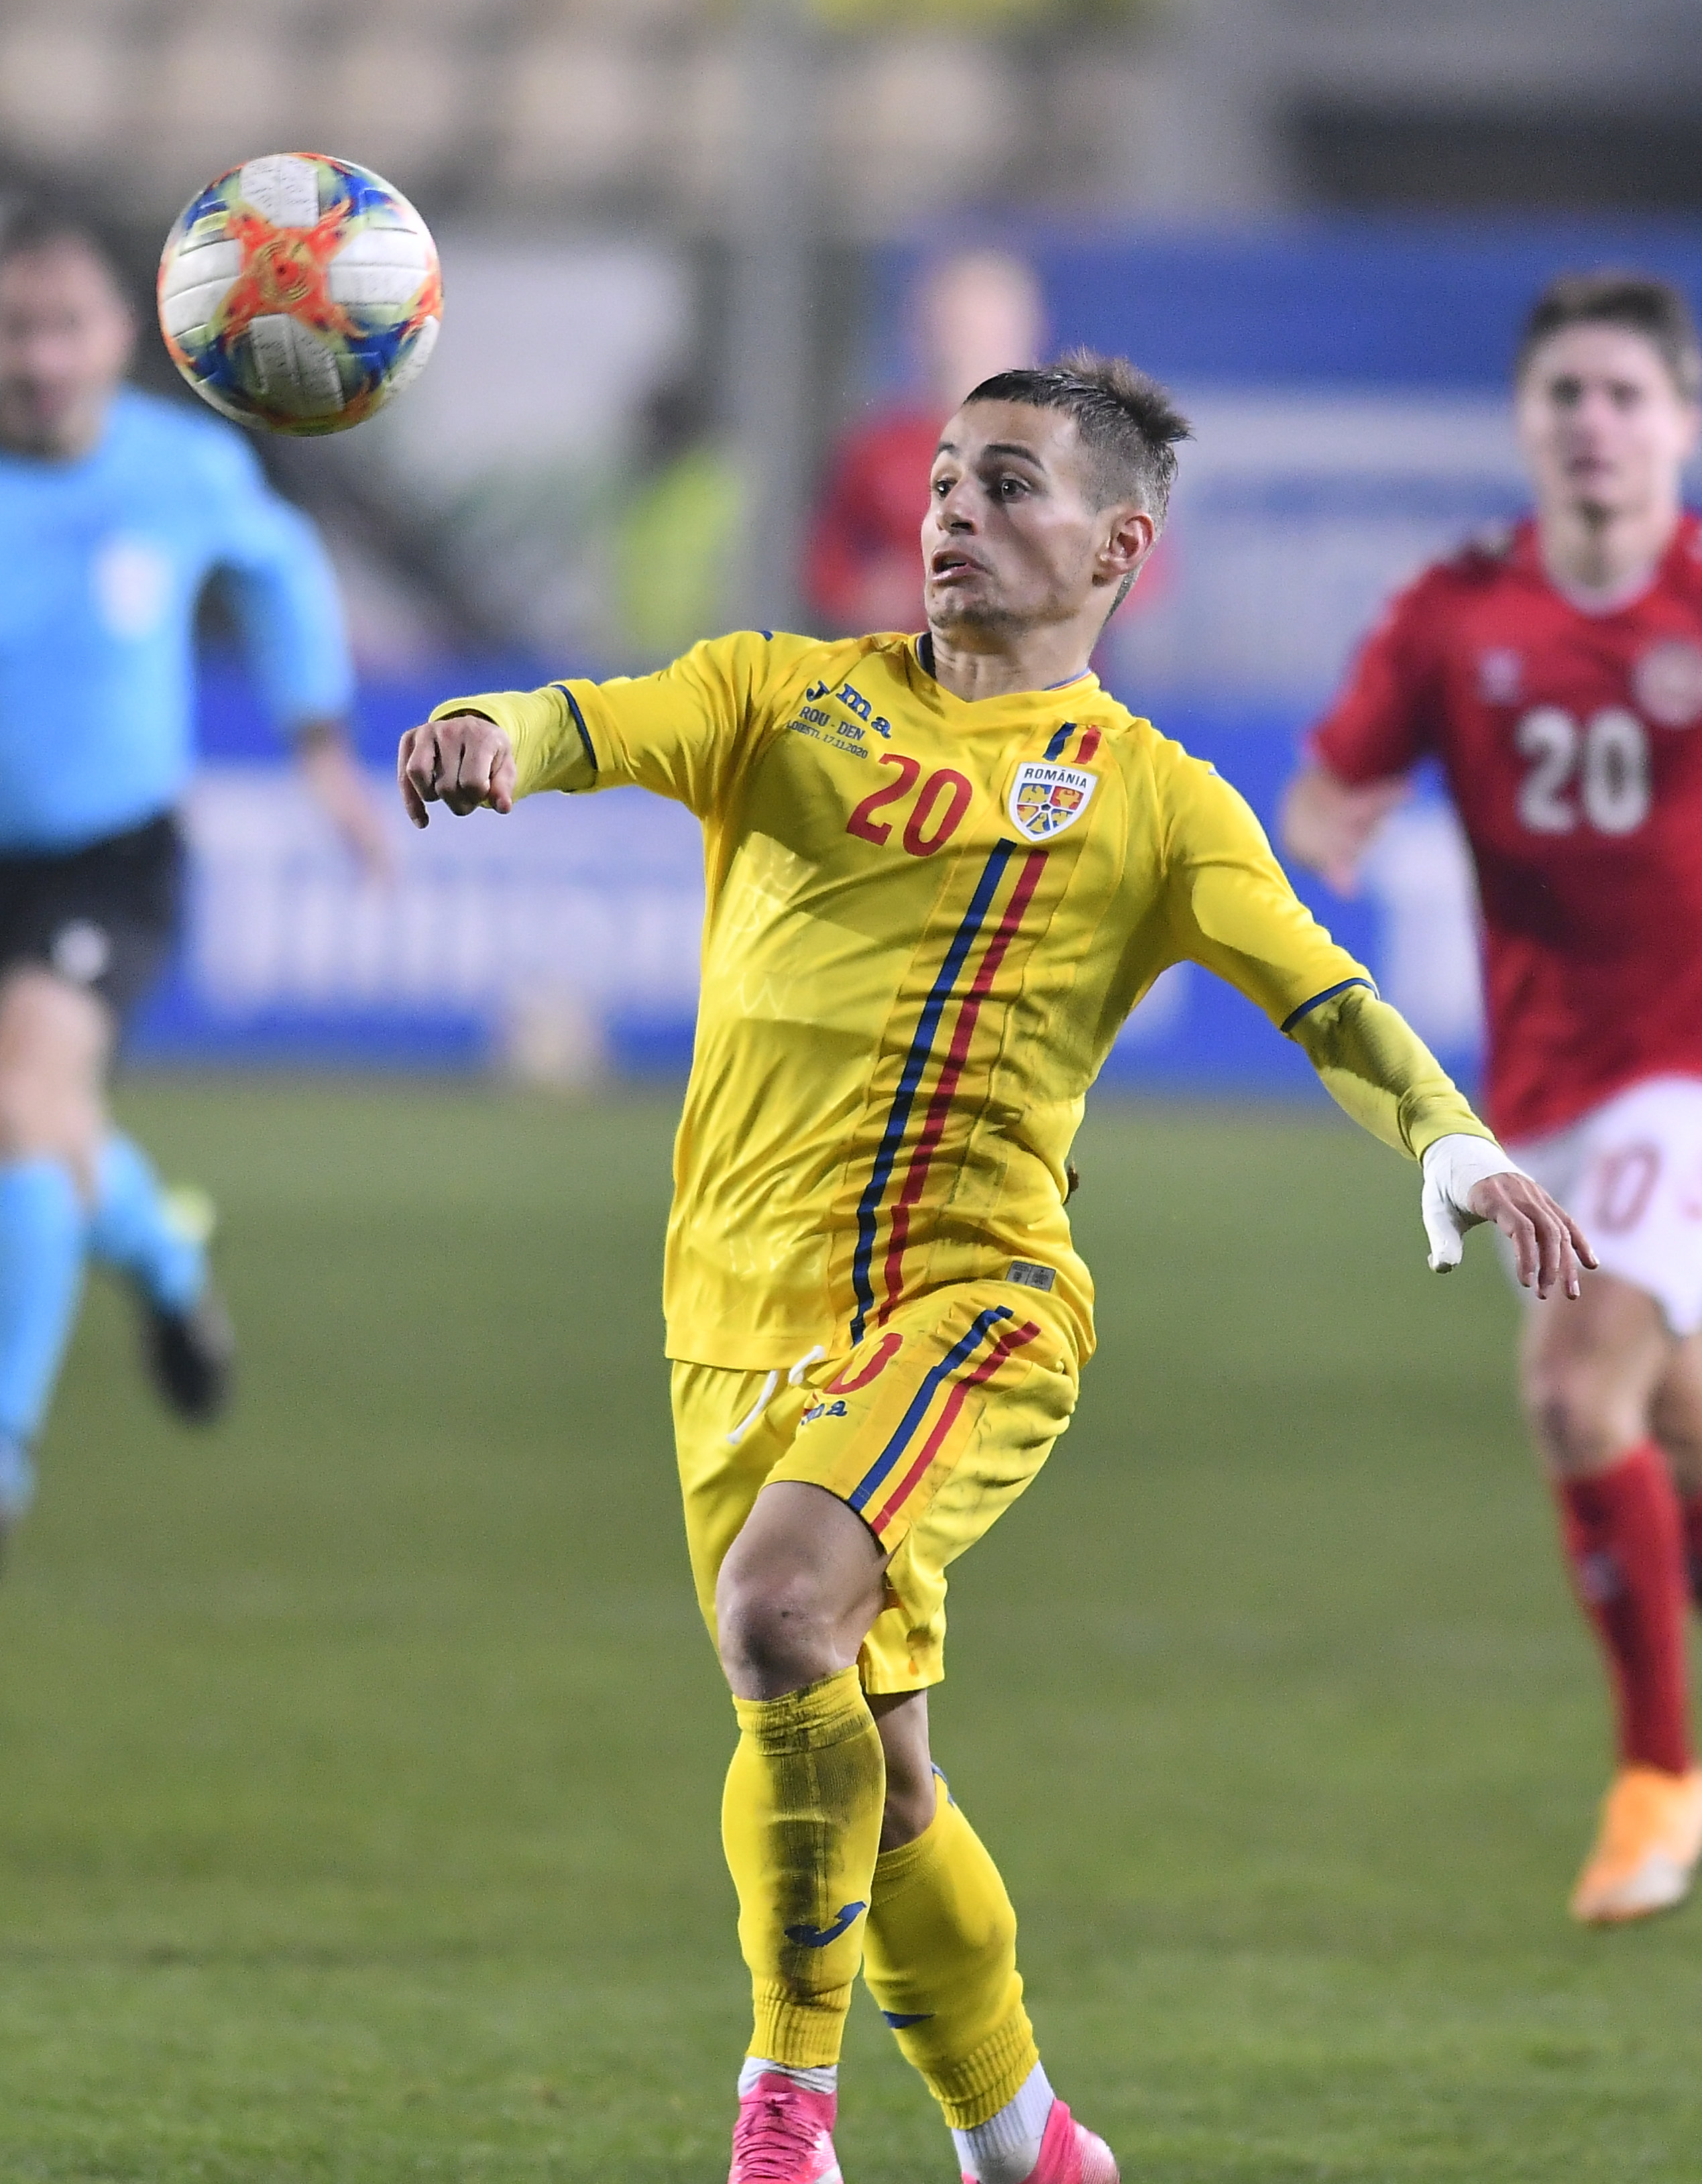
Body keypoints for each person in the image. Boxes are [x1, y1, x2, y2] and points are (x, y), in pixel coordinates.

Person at [400, 353, 1585, 2184]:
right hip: (724, 1320)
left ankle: (782, 2118)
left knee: (781, 1614)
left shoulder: (1152, 801)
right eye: (948, 478)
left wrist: (1450, 1140)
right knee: (874, 1765)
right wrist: (488, 732)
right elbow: (584, 717)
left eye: (1007, 485)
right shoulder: (777, 697)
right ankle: (1026, 2137)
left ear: (1117, 546)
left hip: (973, 1305)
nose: (954, 511)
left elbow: (1322, 991)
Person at [1281, 270, 1702, 1926]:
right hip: (1547, 1093)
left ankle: (1654, 1785)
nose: (1592, 424)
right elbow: (1327, 786)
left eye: (1624, 395)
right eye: (1565, 397)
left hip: (1690, 1078)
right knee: (1668, 1432)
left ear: (1676, 423)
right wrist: (1323, 835)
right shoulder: (1455, 613)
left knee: (1565, 1383)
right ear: (1527, 425)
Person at [0, 205, 385, 1544]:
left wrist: (325, 754)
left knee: (24, 1098)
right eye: (15, 330)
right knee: (33, 1133)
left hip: (106, 860)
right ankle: (164, 1248)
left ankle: (6, 1449)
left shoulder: (180, 471)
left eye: (66, 327)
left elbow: (283, 576)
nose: (40, 359)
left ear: (121, 339)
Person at [806, 248, 1045, 636]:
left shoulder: (1076, 450)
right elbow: (826, 566)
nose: (973, 346)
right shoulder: (878, 448)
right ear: (924, 332)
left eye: (990, 329)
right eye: (959, 327)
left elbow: (1136, 578)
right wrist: (865, 596)